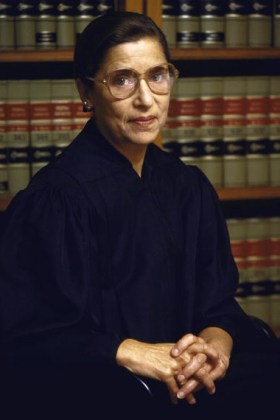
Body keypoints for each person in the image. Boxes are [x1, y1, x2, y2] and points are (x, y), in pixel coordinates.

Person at [0, 11, 279, 420]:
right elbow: (26, 335)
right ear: (86, 91)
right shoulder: (56, 200)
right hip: (101, 391)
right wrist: (131, 353)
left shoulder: (188, 186)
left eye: (158, 75)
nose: (146, 98)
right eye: (123, 79)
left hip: (188, 379)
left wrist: (214, 346)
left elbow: (217, 305)